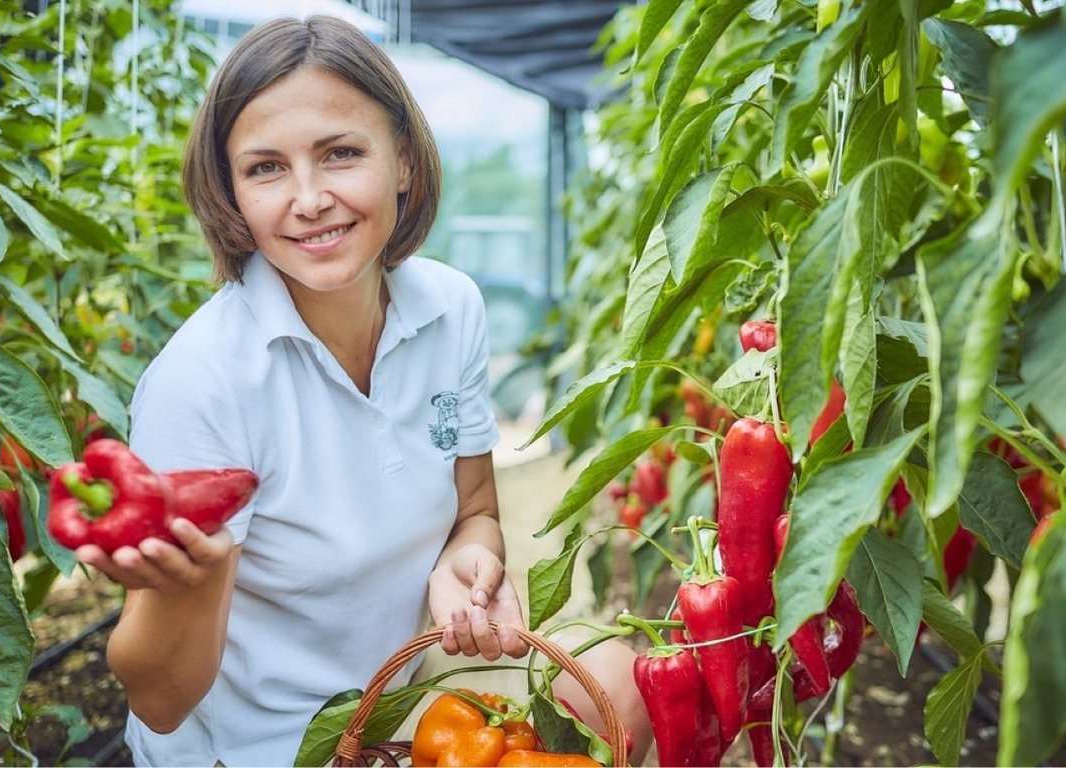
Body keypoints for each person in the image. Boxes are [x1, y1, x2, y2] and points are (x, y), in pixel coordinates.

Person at [74, 14, 648, 767]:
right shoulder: (204, 380)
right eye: (265, 168)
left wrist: (464, 565)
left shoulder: (451, 310)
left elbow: (474, 511)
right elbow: (160, 699)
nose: (309, 199)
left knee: (624, 681)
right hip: (262, 747)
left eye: (340, 154)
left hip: (402, 697)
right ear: (231, 193)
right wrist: (197, 578)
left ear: (404, 162)